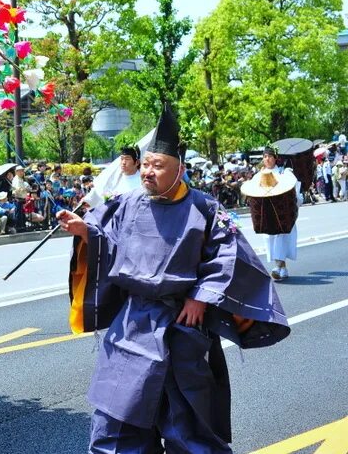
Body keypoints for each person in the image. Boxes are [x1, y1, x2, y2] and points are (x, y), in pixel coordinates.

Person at [58, 106, 289, 453]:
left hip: (182, 326)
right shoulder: (126, 202)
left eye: (157, 166)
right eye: (146, 164)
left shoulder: (206, 209)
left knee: (188, 425)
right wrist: (84, 231)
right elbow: (108, 237)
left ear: (179, 169)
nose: (148, 172)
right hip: (132, 325)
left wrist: (201, 296)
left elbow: (229, 255)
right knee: (116, 421)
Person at [259, 147, 301, 281]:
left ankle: (277, 266)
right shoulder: (259, 174)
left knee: (281, 236)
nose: (267, 159)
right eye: (265, 156)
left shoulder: (284, 172)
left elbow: (293, 189)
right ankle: (282, 268)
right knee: (270, 238)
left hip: (282, 212)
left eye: (270, 156)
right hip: (268, 212)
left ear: (275, 158)